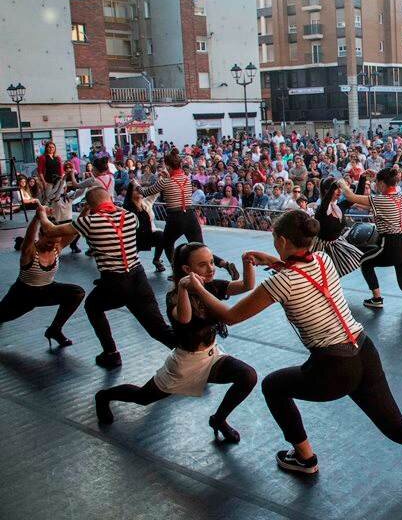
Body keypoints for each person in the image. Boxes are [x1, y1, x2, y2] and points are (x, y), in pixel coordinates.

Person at [185, 210, 402, 496]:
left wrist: (196, 286)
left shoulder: (280, 283)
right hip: (363, 350)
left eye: (273, 241)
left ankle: (305, 458)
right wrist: (274, 260)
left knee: (273, 386)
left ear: (281, 240)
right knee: (397, 427)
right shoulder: (322, 259)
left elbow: (230, 317)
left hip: (332, 367)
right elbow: (301, 271)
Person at [95, 243, 258, 443]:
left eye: (211, 262)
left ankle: (219, 419)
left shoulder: (212, 286)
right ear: (187, 270)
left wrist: (247, 262)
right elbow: (184, 318)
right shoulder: (174, 297)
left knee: (247, 376)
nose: (211, 268)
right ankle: (103, 396)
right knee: (143, 397)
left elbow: (247, 286)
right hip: (186, 363)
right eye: (203, 265)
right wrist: (183, 289)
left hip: (211, 355)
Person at [38, 187, 176, 368]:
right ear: (110, 199)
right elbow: (114, 212)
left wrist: (41, 213)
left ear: (90, 206)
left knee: (92, 306)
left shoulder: (89, 222)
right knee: (158, 328)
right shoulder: (129, 217)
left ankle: (111, 353)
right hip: (138, 277)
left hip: (114, 282)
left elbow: (50, 230)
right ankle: (191, 352)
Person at [339, 167, 402, 309]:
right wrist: (371, 177)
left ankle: (377, 299)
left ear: (382, 184)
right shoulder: (401, 196)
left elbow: (350, 197)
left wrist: (341, 182)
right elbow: (385, 189)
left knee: (365, 262)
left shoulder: (380, 200)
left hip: (391, 244)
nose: (375, 185)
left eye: (377, 183)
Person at [138, 149, 238, 279]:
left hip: (175, 217)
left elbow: (146, 192)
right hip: (190, 216)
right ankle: (225, 264)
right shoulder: (186, 179)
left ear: (167, 166)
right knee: (200, 247)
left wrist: (137, 185)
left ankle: (176, 272)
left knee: (167, 243)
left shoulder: (165, 181)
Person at [0, 211, 85, 348]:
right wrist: (37, 217)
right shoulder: (30, 251)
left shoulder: (57, 247)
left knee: (77, 293)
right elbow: (29, 236)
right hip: (23, 294)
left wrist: (86, 211)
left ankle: (54, 330)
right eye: (49, 241)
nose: (52, 245)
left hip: (46, 290)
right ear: (40, 236)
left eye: (55, 242)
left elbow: (76, 228)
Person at [312, 178, 363, 277]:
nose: (339, 191)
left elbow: (356, 196)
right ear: (328, 190)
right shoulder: (321, 209)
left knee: (358, 260)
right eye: (336, 188)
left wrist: (362, 178)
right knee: (320, 275)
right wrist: (336, 183)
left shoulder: (340, 206)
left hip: (336, 243)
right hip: (321, 247)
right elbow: (325, 203)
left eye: (340, 188)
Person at [123, 181, 166, 272]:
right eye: (136, 190)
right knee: (129, 265)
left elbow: (155, 193)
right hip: (134, 237)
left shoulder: (145, 203)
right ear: (131, 192)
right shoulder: (127, 207)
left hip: (148, 234)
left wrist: (161, 179)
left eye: (140, 189)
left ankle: (156, 260)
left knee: (161, 235)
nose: (139, 191)